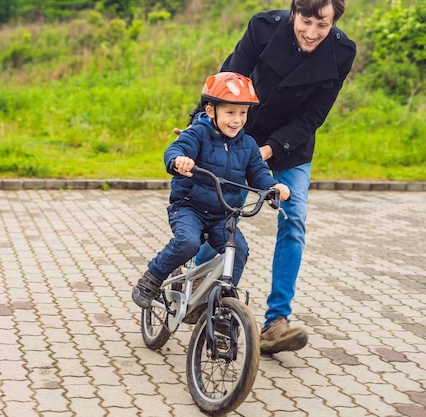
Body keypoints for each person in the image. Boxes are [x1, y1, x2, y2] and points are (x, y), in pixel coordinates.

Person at [182, 0, 357, 354]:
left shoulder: (341, 52)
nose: (311, 33)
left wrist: (270, 150)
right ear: (294, 11)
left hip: (291, 146)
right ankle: (198, 288)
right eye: (306, 21)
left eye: (322, 26)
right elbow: (226, 82)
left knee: (294, 220)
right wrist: (197, 130)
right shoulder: (262, 28)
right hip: (238, 133)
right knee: (221, 212)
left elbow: (314, 115)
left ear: (334, 21)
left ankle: (277, 321)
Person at [131, 72, 291, 310]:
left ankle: (222, 306)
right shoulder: (198, 134)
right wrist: (179, 161)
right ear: (210, 112)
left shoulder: (247, 144)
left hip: (223, 215)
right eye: (230, 112)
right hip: (189, 207)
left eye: (242, 113)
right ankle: (151, 280)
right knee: (187, 243)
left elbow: (257, 172)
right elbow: (175, 150)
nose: (237, 120)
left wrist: (272, 187)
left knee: (239, 251)